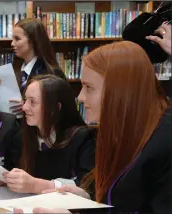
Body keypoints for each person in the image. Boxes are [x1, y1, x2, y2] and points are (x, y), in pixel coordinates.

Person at [15, 41, 172, 213]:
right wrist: (87, 199)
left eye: (89, 87)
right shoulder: (125, 132)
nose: (80, 97)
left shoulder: (165, 144)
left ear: (120, 90)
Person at [0, 75, 96, 194]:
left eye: (33, 102)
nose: (24, 107)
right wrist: (6, 179)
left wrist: (36, 185)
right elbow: (10, 169)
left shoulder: (83, 139)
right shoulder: (20, 138)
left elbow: (87, 187)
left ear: (56, 108)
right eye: (25, 100)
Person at [10, 18, 66, 116]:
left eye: (17, 39)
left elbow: (59, 108)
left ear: (32, 41)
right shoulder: (13, 70)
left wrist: (28, 105)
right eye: (12, 39)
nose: (12, 43)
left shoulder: (51, 73)